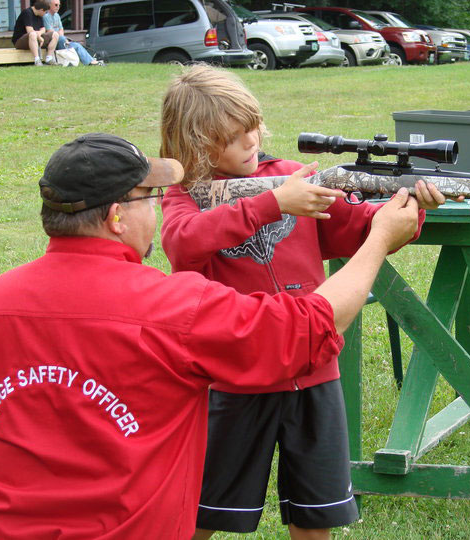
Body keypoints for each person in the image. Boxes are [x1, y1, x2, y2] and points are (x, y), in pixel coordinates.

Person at [0, 133, 423, 539]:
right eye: (151, 199)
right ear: (118, 217)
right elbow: (309, 327)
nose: (159, 210)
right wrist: (379, 240)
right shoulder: (172, 308)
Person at [159, 64, 452, 539]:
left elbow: (357, 227)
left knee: (316, 516)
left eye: (251, 126)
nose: (250, 141)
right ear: (194, 144)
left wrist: (409, 212)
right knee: (200, 515)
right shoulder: (186, 198)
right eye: (231, 137)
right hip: (235, 380)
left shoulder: (292, 177)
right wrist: (272, 203)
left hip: (314, 368)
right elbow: (183, 242)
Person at [43, 0, 105, 66]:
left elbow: (61, 30)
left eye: (59, 5)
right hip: (53, 43)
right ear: (49, 5)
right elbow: (50, 31)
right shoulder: (46, 16)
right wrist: (61, 37)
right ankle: (91, 62)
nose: (58, 7)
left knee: (77, 45)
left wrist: (62, 36)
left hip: (61, 40)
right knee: (75, 45)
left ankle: (91, 61)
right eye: (56, 5)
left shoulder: (57, 16)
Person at [11, 0, 59, 66]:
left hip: (35, 40)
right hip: (20, 41)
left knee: (55, 34)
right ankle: (37, 60)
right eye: (45, 12)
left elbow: (43, 29)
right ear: (41, 10)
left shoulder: (40, 15)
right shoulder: (27, 13)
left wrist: (39, 33)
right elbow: (29, 30)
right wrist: (39, 38)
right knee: (32, 34)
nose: (45, 14)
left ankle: (49, 58)